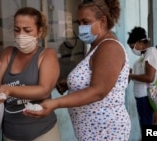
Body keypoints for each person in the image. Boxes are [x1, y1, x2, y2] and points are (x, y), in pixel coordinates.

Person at [24, 0, 131, 140]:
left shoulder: (109, 48)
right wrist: (70, 84)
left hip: (106, 131)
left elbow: (98, 91)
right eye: (79, 22)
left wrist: (56, 103)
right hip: (92, 130)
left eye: (86, 22)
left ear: (103, 21)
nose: (81, 27)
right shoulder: (96, 46)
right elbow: (95, 77)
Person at [0, 7, 61, 141]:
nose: (21, 35)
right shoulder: (8, 53)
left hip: (42, 132)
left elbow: (44, 90)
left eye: (27, 30)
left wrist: (9, 90)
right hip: (10, 133)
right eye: (17, 30)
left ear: (39, 32)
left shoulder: (47, 55)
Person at [127, 27, 157, 127]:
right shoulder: (146, 54)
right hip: (142, 96)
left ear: (140, 43)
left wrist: (130, 75)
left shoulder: (150, 53)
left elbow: (149, 77)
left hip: (145, 96)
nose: (132, 50)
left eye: (132, 47)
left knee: (146, 125)